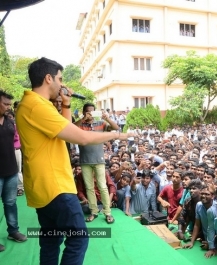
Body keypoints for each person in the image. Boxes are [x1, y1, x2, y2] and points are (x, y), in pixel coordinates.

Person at [16, 57, 134, 265]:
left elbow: (64, 127)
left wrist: (67, 104)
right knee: (78, 238)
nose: (62, 84)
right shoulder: (37, 106)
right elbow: (82, 137)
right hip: (55, 187)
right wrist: (116, 135)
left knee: (51, 240)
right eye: (60, 79)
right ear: (48, 78)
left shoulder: (33, 104)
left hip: (43, 185)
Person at [74, 103, 120, 224]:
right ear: (84, 112)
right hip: (85, 161)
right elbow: (71, 127)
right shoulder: (80, 125)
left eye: (92, 112)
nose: (90, 114)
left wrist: (107, 118)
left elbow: (116, 128)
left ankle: (107, 212)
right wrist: (83, 119)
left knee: (102, 186)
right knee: (89, 187)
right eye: (88, 112)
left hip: (99, 160)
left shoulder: (101, 124)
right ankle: (93, 211)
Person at [0, 90, 27, 252]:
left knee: (10, 203)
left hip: (10, 170)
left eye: (10, 104)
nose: (9, 107)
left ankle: (13, 231)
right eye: (5, 104)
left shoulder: (10, 122)